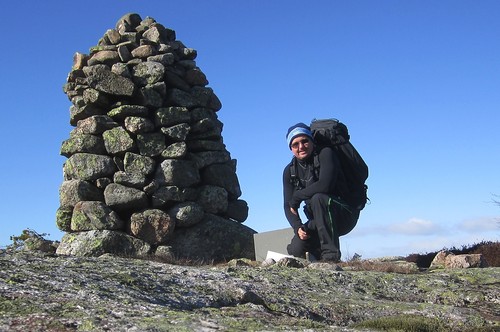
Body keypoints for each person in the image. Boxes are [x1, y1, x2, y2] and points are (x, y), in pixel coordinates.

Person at [282, 123, 357, 262]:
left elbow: (325, 185)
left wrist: (297, 196)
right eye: (295, 144)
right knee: (296, 249)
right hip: (319, 219)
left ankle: (330, 257)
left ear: (311, 141)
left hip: (344, 214)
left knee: (318, 198)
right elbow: (288, 205)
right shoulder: (289, 171)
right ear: (290, 148)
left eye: (305, 141)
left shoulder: (326, 153)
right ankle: (317, 254)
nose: (301, 147)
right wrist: (297, 227)